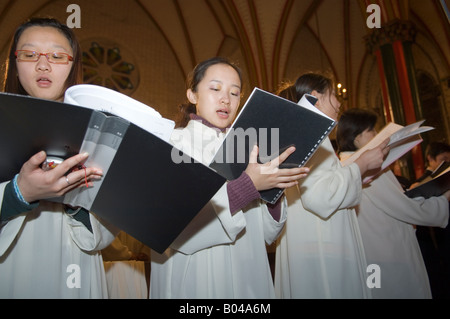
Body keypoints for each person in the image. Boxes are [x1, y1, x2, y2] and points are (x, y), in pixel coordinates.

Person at [149, 57, 310, 298]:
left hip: (250, 274)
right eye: (215, 89)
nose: (226, 99)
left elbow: (265, 235)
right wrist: (248, 186)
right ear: (192, 95)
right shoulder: (172, 142)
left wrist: (273, 189)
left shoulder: (249, 147)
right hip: (197, 278)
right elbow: (171, 227)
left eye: (235, 93)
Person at [0, 18, 117, 298]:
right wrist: (19, 193)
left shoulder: (98, 130)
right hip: (14, 263)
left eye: (56, 56)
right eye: (29, 54)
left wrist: (77, 205)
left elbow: (113, 216)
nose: (43, 65)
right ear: (15, 63)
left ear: (73, 64)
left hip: (76, 261)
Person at [274, 73, 389, 299]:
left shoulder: (300, 131)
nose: (338, 103)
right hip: (323, 245)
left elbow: (320, 182)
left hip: (313, 242)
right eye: (334, 95)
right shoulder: (313, 132)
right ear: (315, 97)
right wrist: (361, 165)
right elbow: (318, 198)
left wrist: (357, 173)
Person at [336, 108, 450, 298]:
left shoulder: (344, 165)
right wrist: (443, 199)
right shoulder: (368, 167)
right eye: (371, 130)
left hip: (371, 255)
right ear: (356, 138)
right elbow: (406, 209)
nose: (376, 135)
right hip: (389, 253)